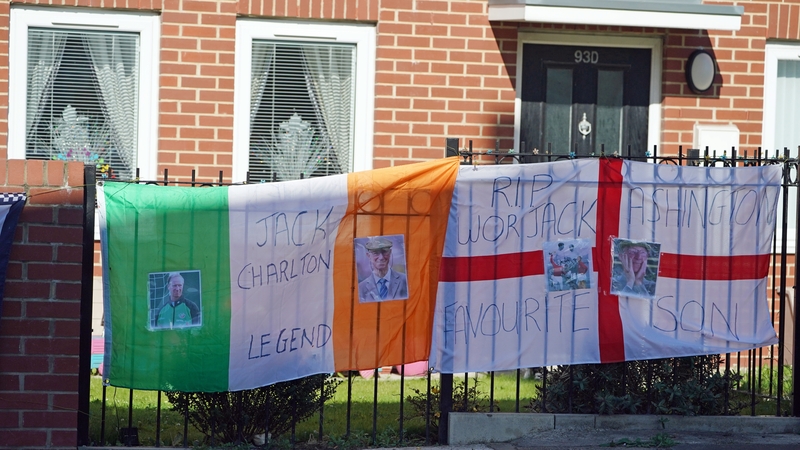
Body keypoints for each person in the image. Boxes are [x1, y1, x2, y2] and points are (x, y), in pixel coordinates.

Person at [358, 237, 409, 302]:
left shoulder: (404, 280)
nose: (381, 257)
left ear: (390, 253)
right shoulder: (361, 288)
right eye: (376, 253)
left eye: (384, 252)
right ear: (368, 256)